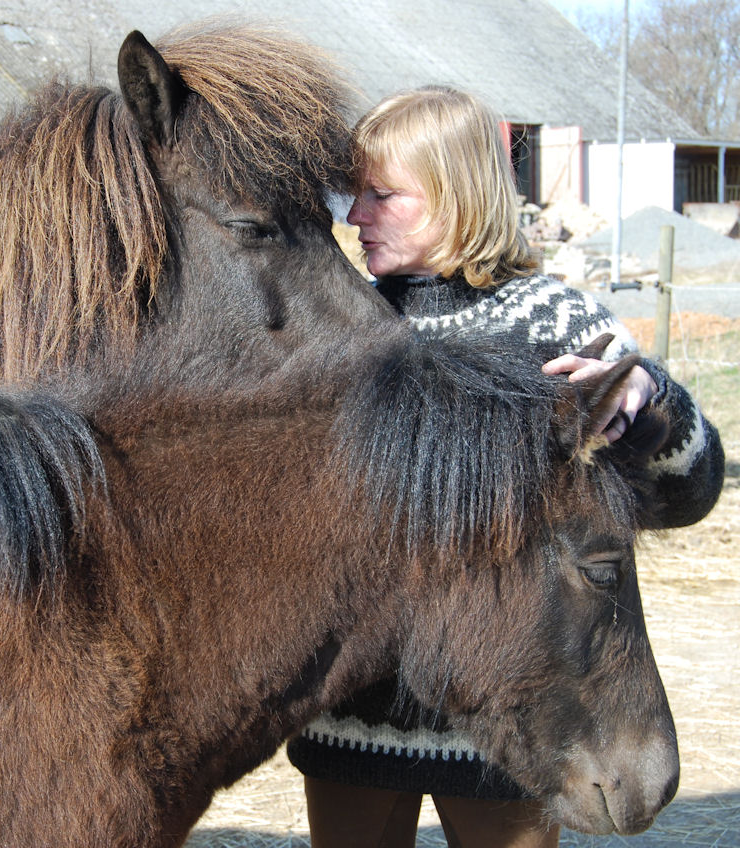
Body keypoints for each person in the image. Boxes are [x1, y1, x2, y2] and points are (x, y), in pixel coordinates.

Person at [287, 86, 724, 847]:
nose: (354, 215)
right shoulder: (342, 331)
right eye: (355, 193)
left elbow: (691, 493)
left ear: (455, 197)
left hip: (515, 733)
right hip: (358, 719)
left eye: (382, 194)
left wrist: (650, 398)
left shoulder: (554, 322)